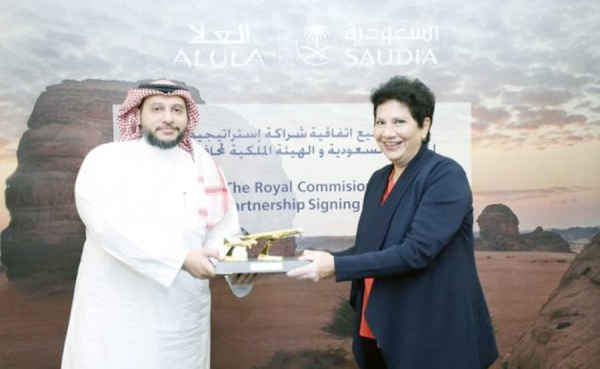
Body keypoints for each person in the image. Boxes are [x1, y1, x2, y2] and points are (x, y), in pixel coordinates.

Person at [287, 76, 499, 368]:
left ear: (424, 126)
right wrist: (317, 260)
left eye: (399, 122)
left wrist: (335, 267)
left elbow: (417, 252)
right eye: (380, 122)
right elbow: (369, 248)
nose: (387, 133)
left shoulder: (445, 175)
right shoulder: (378, 180)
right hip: (378, 325)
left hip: (430, 334)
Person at [62, 79, 253, 369]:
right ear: (137, 115)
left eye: (177, 109)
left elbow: (223, 230)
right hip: (118, 313)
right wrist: (180, 258)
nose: (168, 117)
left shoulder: (202, 164)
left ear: (188, 117)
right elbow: (106, 226)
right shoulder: (106, 160)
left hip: (182, 315)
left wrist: (236, 269)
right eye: (157, 109)